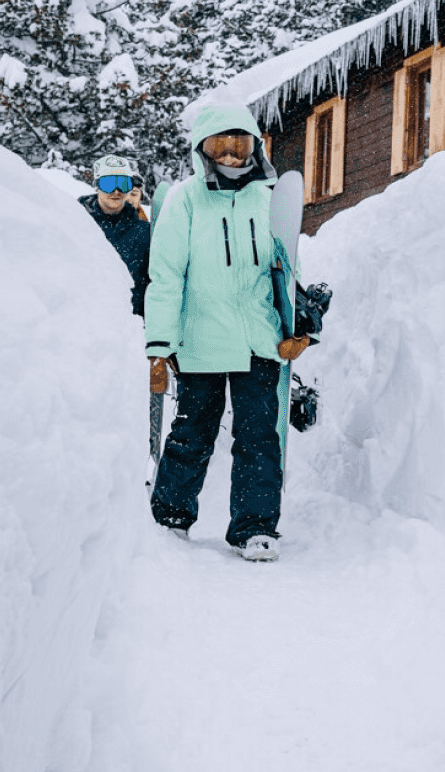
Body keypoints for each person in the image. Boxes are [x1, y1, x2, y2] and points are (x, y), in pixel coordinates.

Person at [144, 105, 312, 562]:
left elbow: (285, 274)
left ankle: (254, 527)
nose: (233, 157)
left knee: (259, 438)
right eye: (221, 146)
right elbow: (165, 277)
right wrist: (160, 348)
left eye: (241, 146)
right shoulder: (185, 200)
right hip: (200, 342)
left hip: (259, 341)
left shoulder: (269, 199)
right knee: (191, 434)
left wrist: (298, 328)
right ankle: (171, 518)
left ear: (256, 147)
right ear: (202, 150)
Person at [79, 154, 151, 316]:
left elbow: (153, 284)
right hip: (83, 322)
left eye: (123, 184)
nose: (116, 191)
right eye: (108, 183)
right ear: (96, 185)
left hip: (130, 326)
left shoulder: (145, 233)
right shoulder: (75, 223)